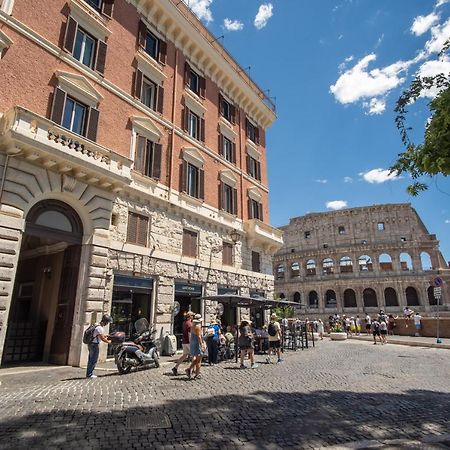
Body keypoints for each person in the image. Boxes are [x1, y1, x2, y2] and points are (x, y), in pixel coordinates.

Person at [86, 314, 112, 378]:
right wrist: (109, 342)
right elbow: (102, 338)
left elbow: (98, 335)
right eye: (107, 322)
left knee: (90, 359)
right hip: (94, 345)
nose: (107, 324)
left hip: (90, 344)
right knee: (93, 360)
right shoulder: (100, 328)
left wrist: (105, 336)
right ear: (105, 322)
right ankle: (89, 374)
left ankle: (89, 373)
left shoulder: (96, 324)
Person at [172, 311, 194, 375]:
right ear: (190, 316)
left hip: (184, 341)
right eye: (192, 315)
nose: (193, 317)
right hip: (188, 342)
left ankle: (175, 367)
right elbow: (189, 333)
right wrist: (191, 342)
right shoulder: (190, 324)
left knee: (184, 355)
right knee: (194, 356)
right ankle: (192, 370)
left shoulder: (184, 323)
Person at [186, 314, 205, 380]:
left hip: (193, 342)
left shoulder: (193, 326)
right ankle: (195, 372)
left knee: (197, 358)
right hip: (197, 343)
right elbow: (199, 337)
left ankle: (194, 371)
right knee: (199, 359)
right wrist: (202, 345)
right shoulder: (197, 327)